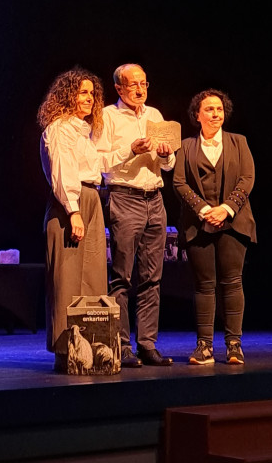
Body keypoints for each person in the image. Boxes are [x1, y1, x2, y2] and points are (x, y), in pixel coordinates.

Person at [93, 63, 175, 367]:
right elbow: (99, 162)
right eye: (133, 85)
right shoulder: (108, 117)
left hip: (155, 198)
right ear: (118, 88)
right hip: (125, 197)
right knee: (122, 277)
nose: (140, 90)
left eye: (144, 84)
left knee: (152, 277)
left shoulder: (154, 115)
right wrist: (130, 150)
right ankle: (122, 345)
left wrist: (166, 155)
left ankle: (147, 344)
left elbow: (168, 164)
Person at [173, 88, 256, 365]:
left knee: (232, 282)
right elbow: (179, 182)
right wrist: (204, 209)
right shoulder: (186, 146)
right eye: (209, 109)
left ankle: (234, 345)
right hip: (198, 224)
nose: (215, 114)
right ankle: (204, 346)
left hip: (233, 221)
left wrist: (226, 208)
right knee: (204, 285)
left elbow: (247, 178)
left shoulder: (238, 142)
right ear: (197, 115)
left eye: (219, 109)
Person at [38, 67, 108, 373]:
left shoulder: (84, 132)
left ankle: (89, 350)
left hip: (91, 199)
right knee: (67, 282)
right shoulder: (60, 128)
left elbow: (99, 166)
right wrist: (74, 211)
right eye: (82, 92)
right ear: (67, 96)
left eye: (92, 93)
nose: (89, 98)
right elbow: (62, 172)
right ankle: (65, 351)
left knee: (93, 278)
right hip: (70, 205)